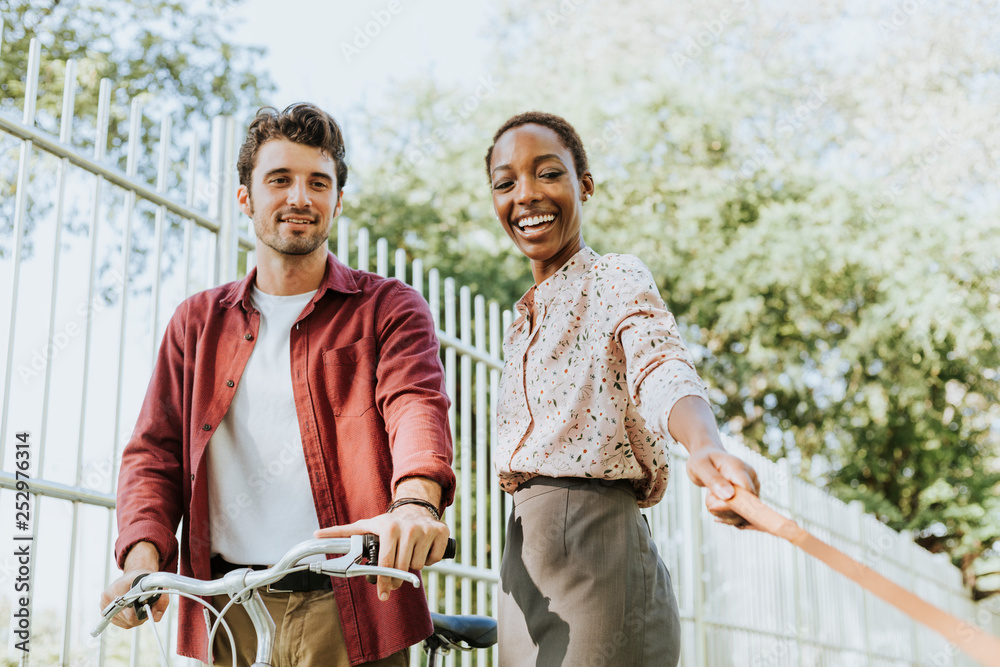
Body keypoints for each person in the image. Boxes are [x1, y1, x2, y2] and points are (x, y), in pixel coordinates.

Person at [99, 103, 455, 667]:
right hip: (228, 610)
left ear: (337, 201)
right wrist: (143, 560)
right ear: (246, 197)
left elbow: (415, 404)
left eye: (319, 182)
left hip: (356, 605)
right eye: (279, 180)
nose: (300, 198)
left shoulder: (388, 308)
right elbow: (154, 453)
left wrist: (415, 503)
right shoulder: (197, 322)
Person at [485, 111, 761, 666]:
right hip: (523, 556)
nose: (527, 195)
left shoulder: (613, 278)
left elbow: (660, 364)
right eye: (506, 182)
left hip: (596, 553)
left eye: (548, 173)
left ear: (584, 186)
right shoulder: (521, 322)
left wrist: (704, 443)